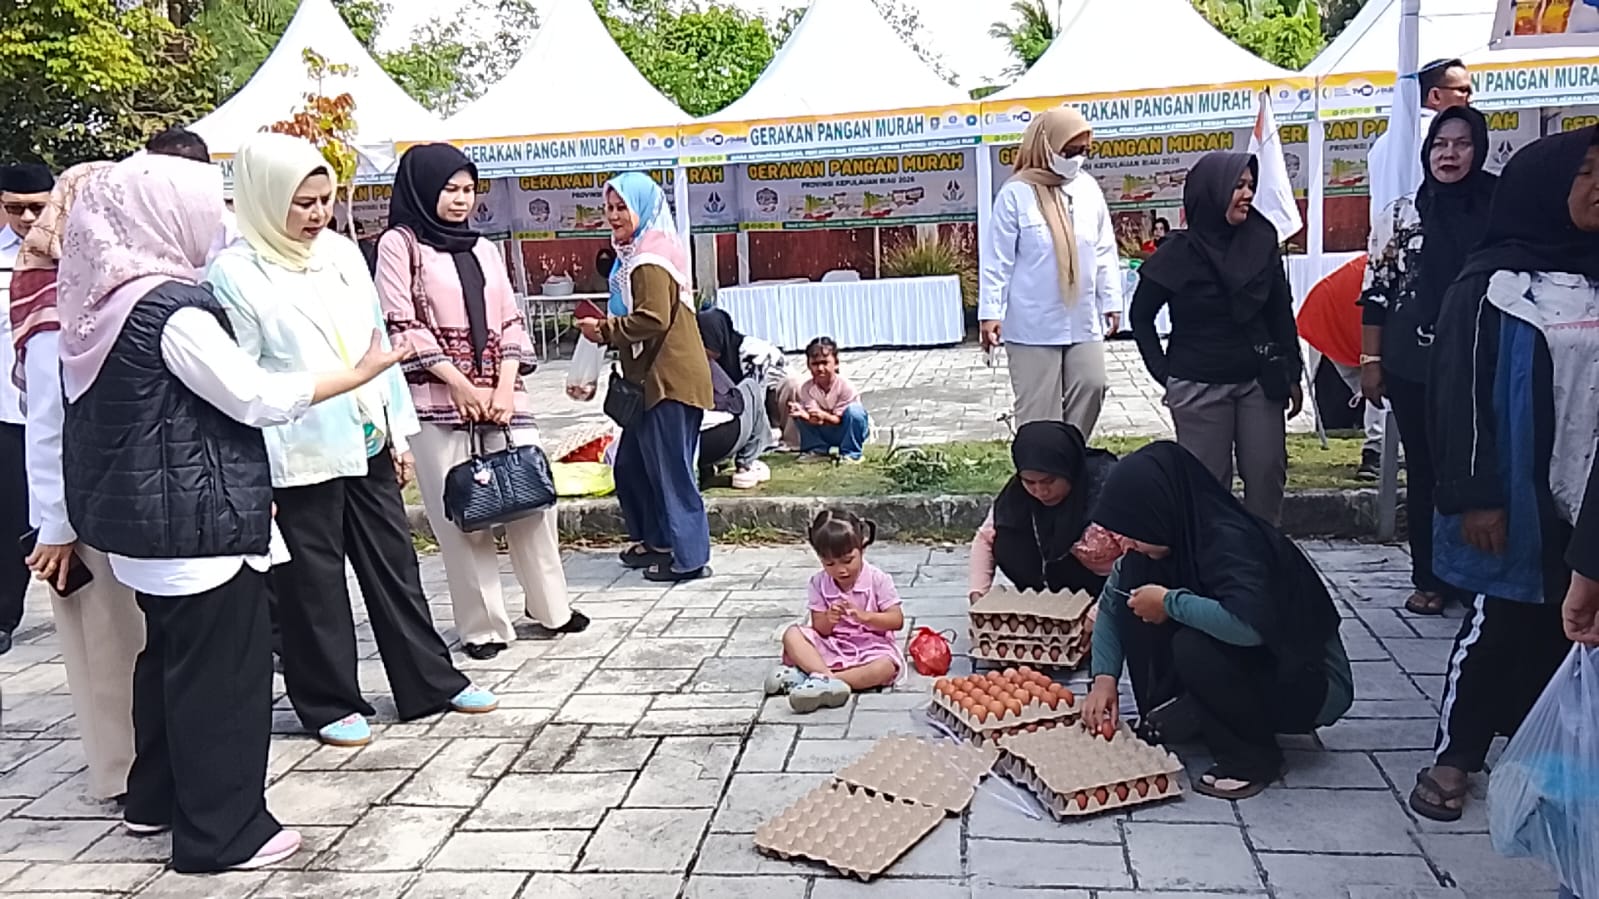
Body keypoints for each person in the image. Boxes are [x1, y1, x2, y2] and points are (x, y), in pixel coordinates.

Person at [56, 153, 406, 871]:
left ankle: (153, 800)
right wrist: (360, 373)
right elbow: (254, 395)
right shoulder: (170, 308)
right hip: (197, 522)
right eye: (199, 206)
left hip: (146, 525)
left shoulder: (100, 300)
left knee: (168, 664)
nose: (213, 220)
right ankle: (223, 831)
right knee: (222, 676)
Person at [209, 133, 497, 748]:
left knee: (395, 565)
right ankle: (329, 698)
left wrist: (396, 428)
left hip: (364, 435)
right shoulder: (235, 273)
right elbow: (245, 379)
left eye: (324, 201)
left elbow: (378, 349)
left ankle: (428, 681)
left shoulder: (340, 253)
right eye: (302, 204)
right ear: (263, 201)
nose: (316, 215)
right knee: (312, 582)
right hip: (297, 448)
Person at [1410, 126, 1598, 823]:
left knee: (1571, 627)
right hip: (1519, 489)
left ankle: (1553, 753)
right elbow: (1455, 397)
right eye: (1581, 173)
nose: (1595, 188)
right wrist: (1473, 495)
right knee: (1501, 622)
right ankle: (1455, 752)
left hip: (1591, 491)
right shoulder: (1495, 284)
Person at [377, 143, 586, 660]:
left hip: (503, 397)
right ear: (425, 190)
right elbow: (402, 326)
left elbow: (511, 319)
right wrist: (461, 386)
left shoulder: (484, 248)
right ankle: (484, 626)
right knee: (462, 515)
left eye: (468, 190)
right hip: (438, 403)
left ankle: (550, 608)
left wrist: (501, 382)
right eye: (449, 190)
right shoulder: (399, 246)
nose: (460, 200)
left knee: (533, 502)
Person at [1083, 442, 1352, 800]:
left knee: (1193, 644)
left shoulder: (1232, 543)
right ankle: (1195, 709)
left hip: (1309, 679)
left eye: (1134, 529)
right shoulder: (1152, 548)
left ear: (1160, 512)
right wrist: (1104, 681)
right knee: (1137, 595)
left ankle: (1253, 759)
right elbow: (1113, 608)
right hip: (1258, 667)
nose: (1126, 542)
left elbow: (1251, 627)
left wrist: (1169, 602)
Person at [8, 161, 143, 801]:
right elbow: (46, 424)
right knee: (105, 642)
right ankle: (119, 770)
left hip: (139, 491)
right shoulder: (51, 294)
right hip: (84, 505)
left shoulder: (132, 280)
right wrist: (55, 527)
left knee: (140, 638)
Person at [1360, 107, 1498, 616]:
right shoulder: (1402, 214)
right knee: (1425, 471)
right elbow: (1375, 293)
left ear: (1478, 149)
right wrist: (1371, 360)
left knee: (1480, 464)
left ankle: (1478, 575)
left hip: (1483, 360)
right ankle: (1431, 576)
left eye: (1461, 144)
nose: (1449, 154)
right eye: (1440, 143)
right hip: (1413, 364)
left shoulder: (1498, 209)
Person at [1130, 152, 1304, 525]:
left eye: (1250, 186)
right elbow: (1140, 317)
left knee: (1266, 474)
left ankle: (1261, 561)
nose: (1247, 194)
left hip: (1258, 379)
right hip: (1198, 385)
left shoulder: (1261, 239)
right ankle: (1211, 566)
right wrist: (1165, 372)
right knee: (1206, 486)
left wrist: (1292, 371)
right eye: (1237, 186)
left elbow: (1279, 311)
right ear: (1212, 192)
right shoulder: (1178, 253)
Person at [575, 172, 713, 583]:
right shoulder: (634, 254)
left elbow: (652, 318)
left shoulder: (649, 258)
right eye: (609, 208)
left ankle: (689, 558)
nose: (614, 216)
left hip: (668, 381)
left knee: (672, 472)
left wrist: (605, 331)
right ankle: (657, 540)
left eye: (622, 208)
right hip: (650, 381)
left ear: (644, 209)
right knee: (633, 465)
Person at [980, 107, 1122, 437]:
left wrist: (1111, 299)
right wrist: (990, 313)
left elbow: (1103, 248)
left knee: (1093, 385)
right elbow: (997, 259)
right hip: (1032, 323)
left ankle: (1067, 458)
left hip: (1081, 317)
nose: (1076, 159)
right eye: (1069, 151)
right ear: (1045, 145)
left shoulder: (1088, 188)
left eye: (1084, 152)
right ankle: (1041, 475)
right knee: (1039, 412)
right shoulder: (1016, 194)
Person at [766, 511, 904, 713]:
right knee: (792, 635)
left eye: (848, 560)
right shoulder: (818, 583)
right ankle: (823, 679)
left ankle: (816, 678)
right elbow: (820, 629)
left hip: (870, 647)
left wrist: (867, 617)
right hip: (833, 645)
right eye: (829, 564)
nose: (841, 570)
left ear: (862, 549)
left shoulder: (878, 580)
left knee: (886, 668)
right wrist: (829, 619)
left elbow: (896, 620)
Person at [968, 421, 1118, 601]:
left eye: (1049, 481)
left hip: (1111, 591)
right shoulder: (1017, 494)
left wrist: (1099, 613)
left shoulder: (1108, 490)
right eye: (1029, 482)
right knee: (1006, 534)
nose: (1040, 491)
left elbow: (1135, 561)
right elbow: (985, 538)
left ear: (1068, 469)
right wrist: (978, 594)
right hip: (1046, 592)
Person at [0, 162, 54, 654]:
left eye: (38, 207)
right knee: (7, 511)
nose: (27, 218)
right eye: (15, 208)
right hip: (4, 408)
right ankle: (4, 615)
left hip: (51, 407)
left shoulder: (71, 257)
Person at [1367, 58, 1473, 221]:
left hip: (1386, 237)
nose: (1469, 98)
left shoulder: (1382, 142)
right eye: (1463, 90)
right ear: (1435, 95)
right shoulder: (1440, 136)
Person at [696, 308, 772, 489]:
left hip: (688, 444)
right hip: (721, 437)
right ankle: (747, 464)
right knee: (751, 387)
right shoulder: (705, 362)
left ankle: (706, 466)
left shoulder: (749, 351)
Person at [791, 336, 869, 463]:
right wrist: (804, 415)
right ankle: (817, 450)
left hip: (846, 429)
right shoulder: (807, 388)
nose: (820, 368)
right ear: (808, 365)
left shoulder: (845, 386)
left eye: (825, 363)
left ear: (836, 363)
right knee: (799, 409)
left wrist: (822, 415)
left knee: (855, 412)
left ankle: (852, 454)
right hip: (825, 429)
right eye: (815, 364)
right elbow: (814, 417)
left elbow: (838, 420)